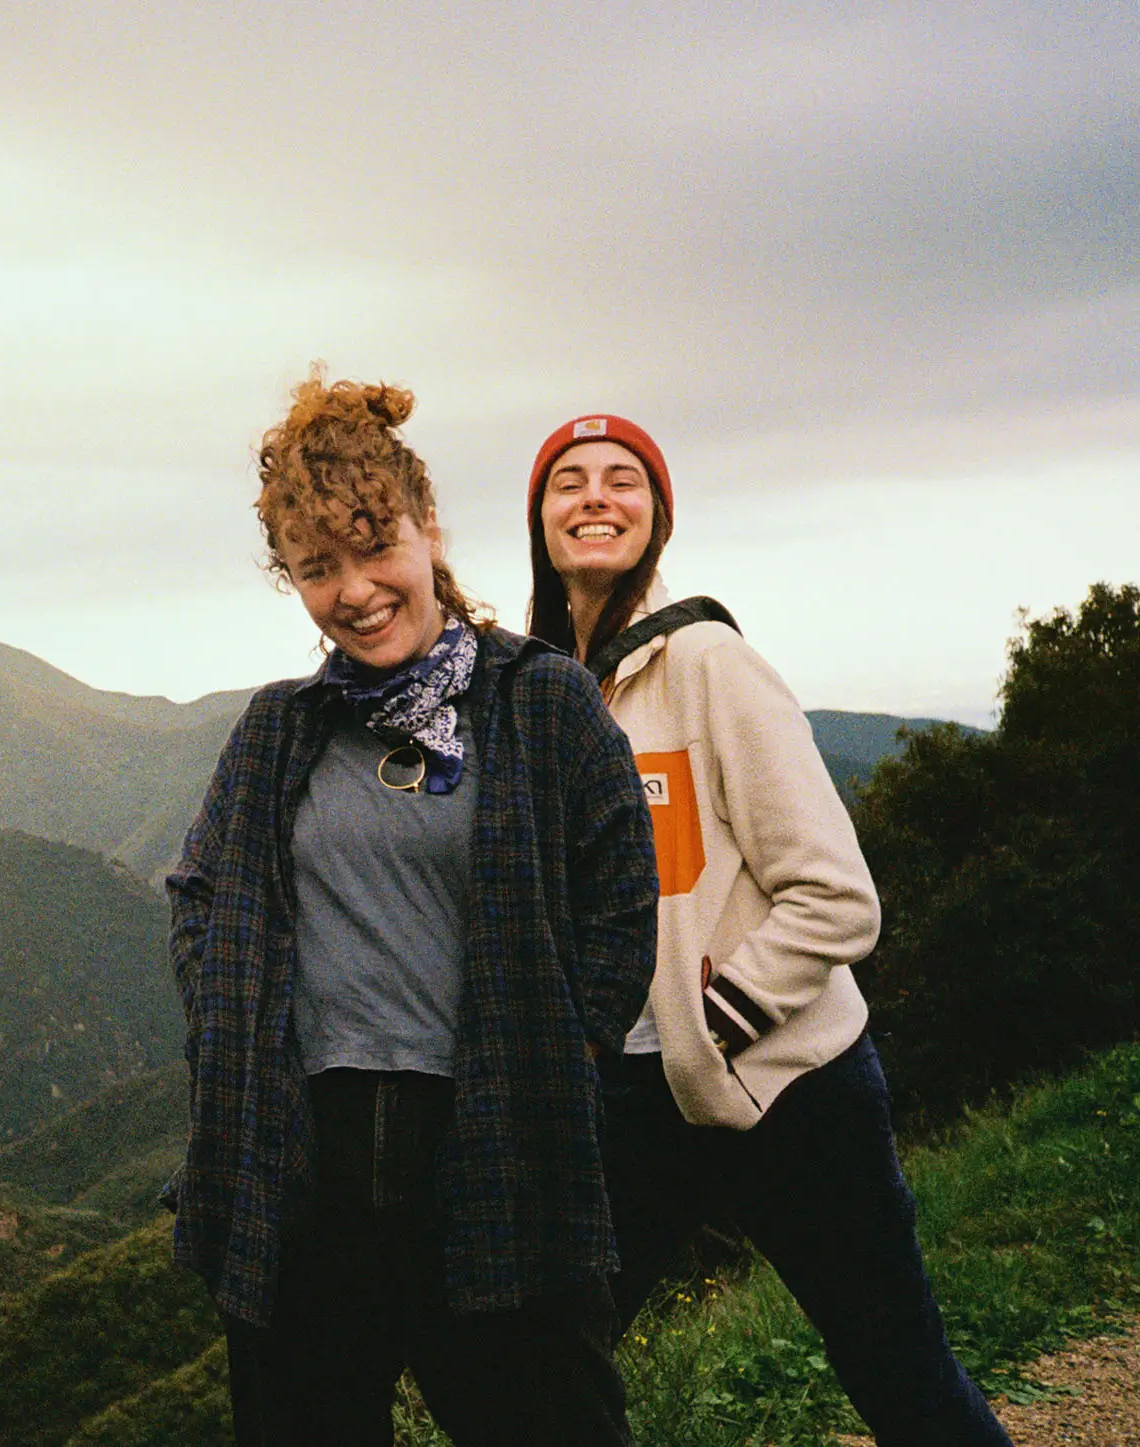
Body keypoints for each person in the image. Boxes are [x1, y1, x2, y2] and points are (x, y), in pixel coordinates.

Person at [165, 374, 659, 1447]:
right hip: (306, 1174)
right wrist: (227, 1036)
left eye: (373, 546)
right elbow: (200, 890)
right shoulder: (280, 731)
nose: (355, 589)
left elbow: (622, 901)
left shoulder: (539, 702)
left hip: (495, 1153)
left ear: (429, 529)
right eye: (317, 567)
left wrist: (562, 1054)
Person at [525, 413, 1012, 1446]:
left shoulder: (708, 662)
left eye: (623, 480)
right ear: (541, 518)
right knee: (543, 1359)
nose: (595, 497)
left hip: (795, 1086)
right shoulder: (557, 693)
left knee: (895, 1366)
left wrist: (716, 1018)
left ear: (657, 517)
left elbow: (838, 896)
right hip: (636, 1100)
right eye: (569, 482)